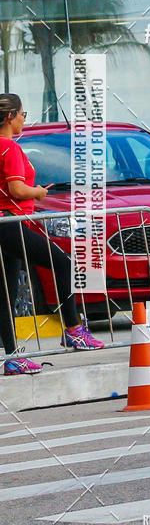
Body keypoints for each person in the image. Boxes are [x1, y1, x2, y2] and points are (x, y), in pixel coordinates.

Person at [0, 94, 104, 375]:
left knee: (7, 293)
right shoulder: (9, 147)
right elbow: (17, 189)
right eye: (22, 114)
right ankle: (73, 329)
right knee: (63, 263)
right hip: (11, 223)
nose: (24, 120)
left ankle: (12, 357)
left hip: (5, 224)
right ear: (10, 117)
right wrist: (38, 192)